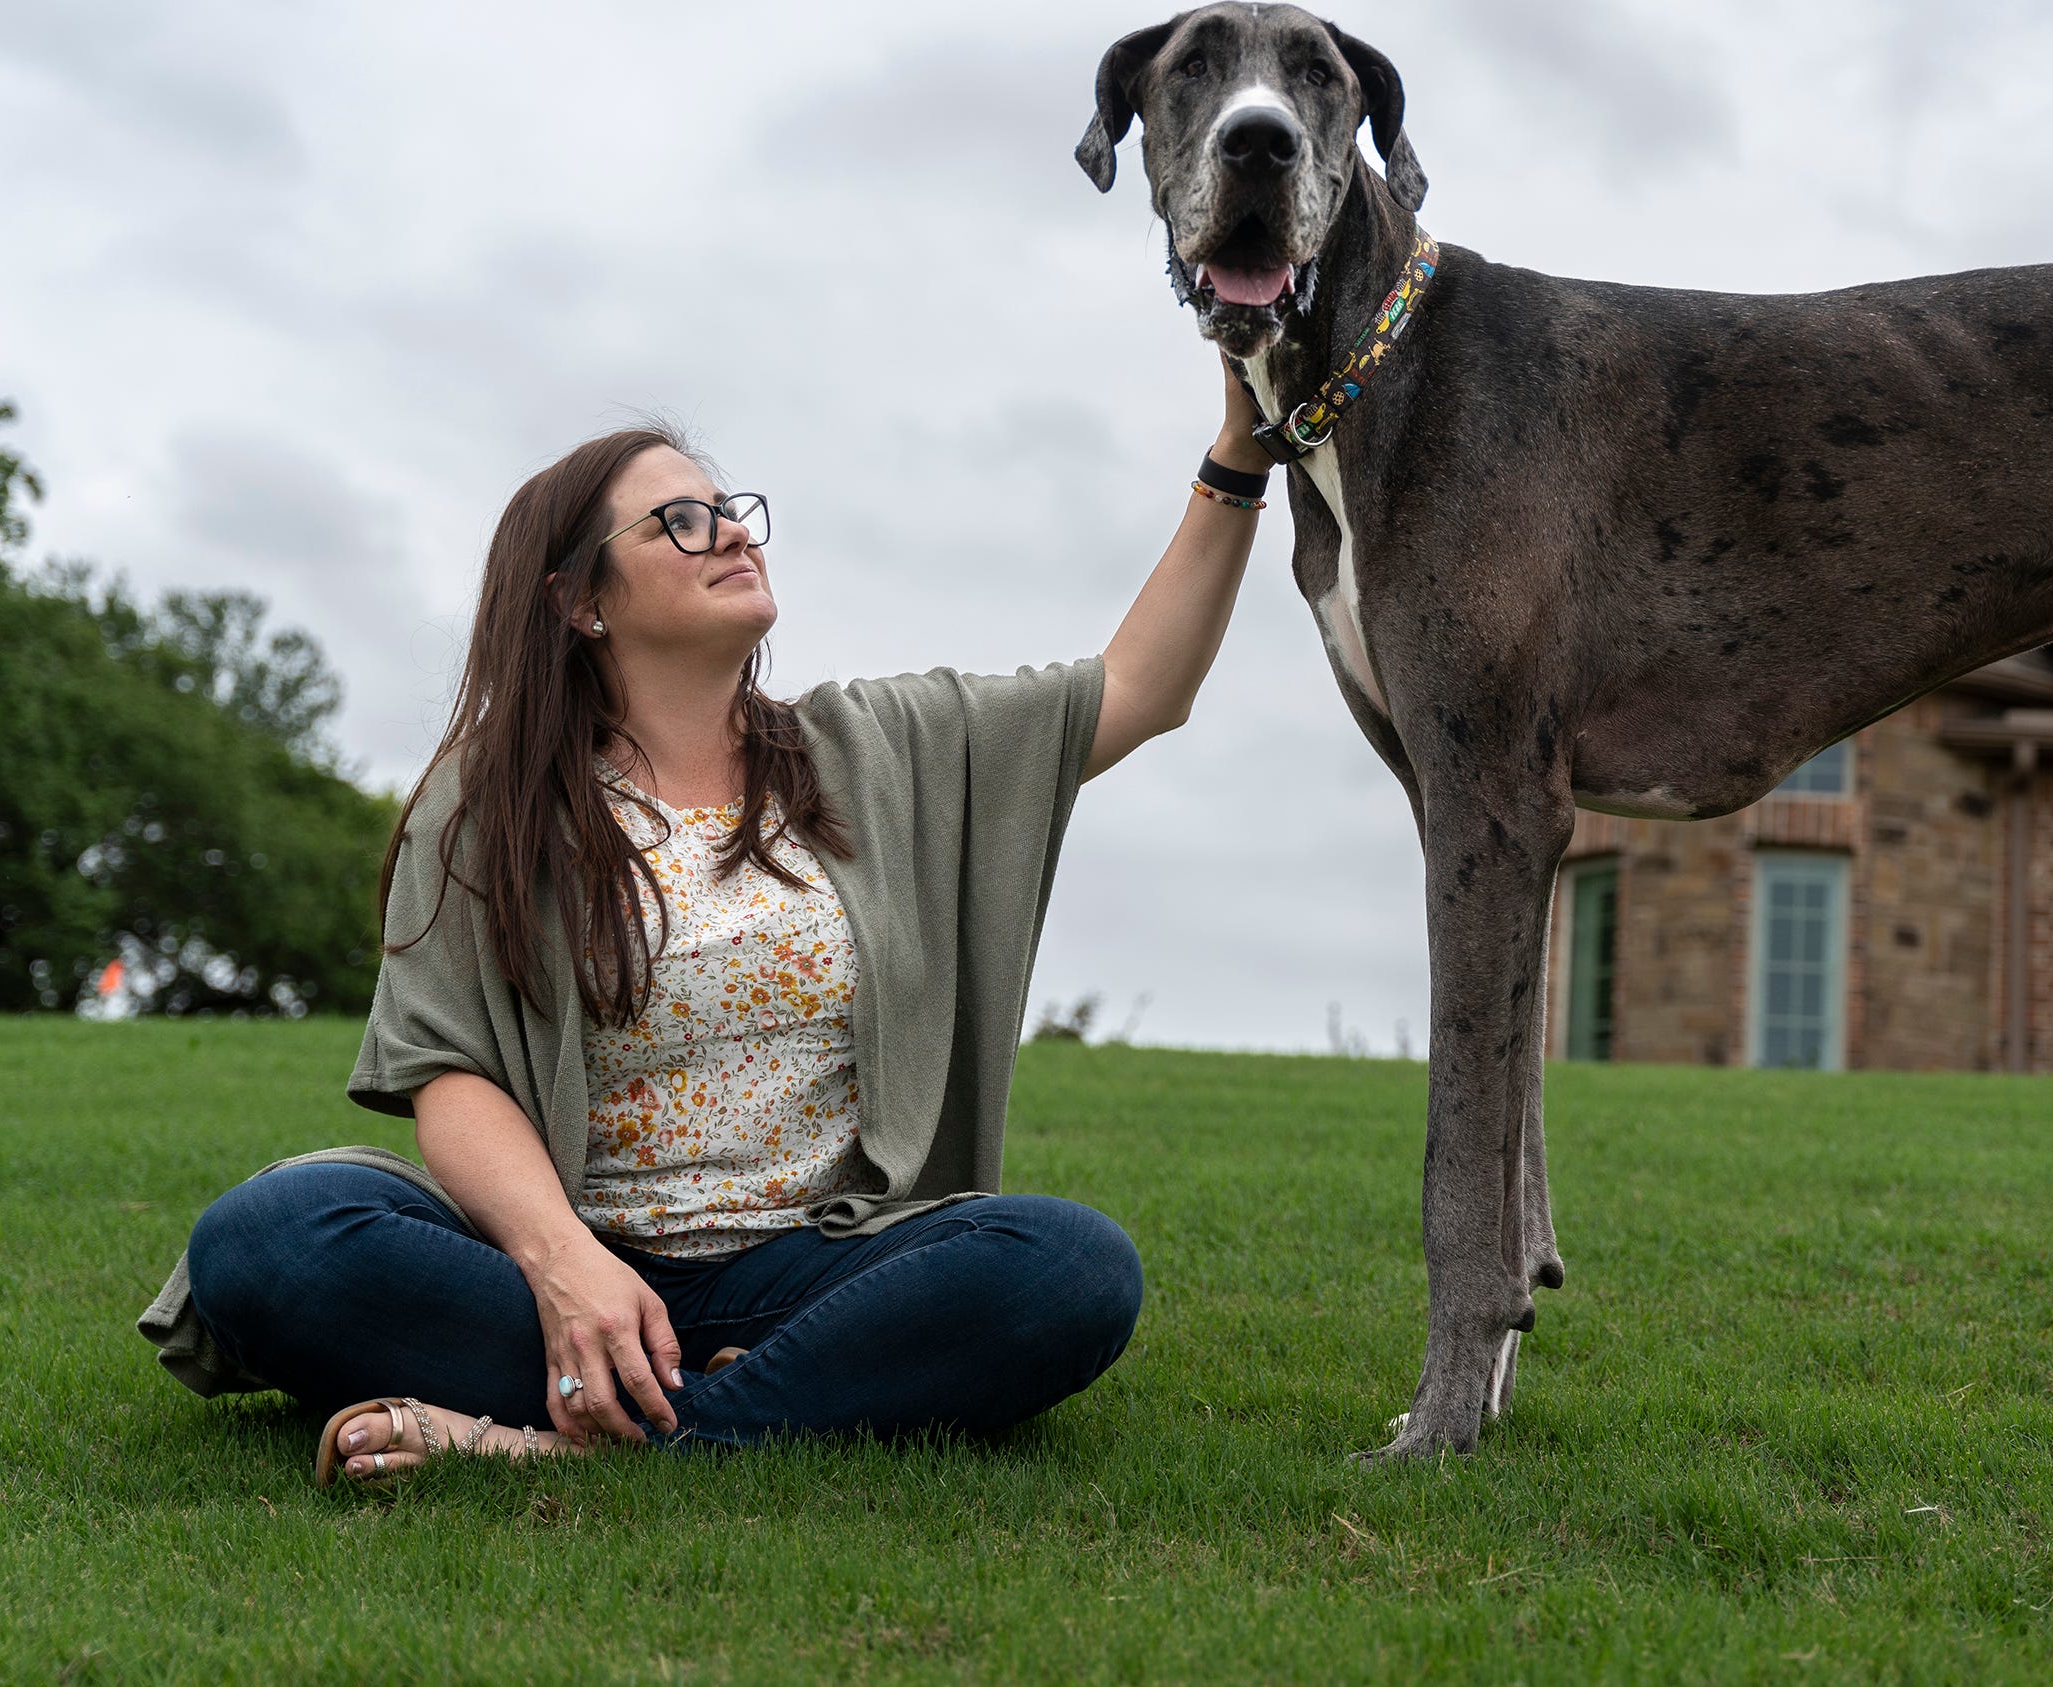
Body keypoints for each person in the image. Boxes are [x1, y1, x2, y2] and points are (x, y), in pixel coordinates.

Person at [156, 361, 1278, 1479]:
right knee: (266, 1238)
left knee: (1066, 1266)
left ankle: (571, 1443)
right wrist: (566, 1268)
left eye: (732, 511)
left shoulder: (884, 746)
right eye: (679, 522)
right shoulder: (485, 797)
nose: (733, 534)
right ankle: (735, 1396)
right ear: (578, 600)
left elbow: (1140, 687)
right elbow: (450, 1074)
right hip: (553, 1269)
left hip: (816, 1273)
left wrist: (1238, 454)